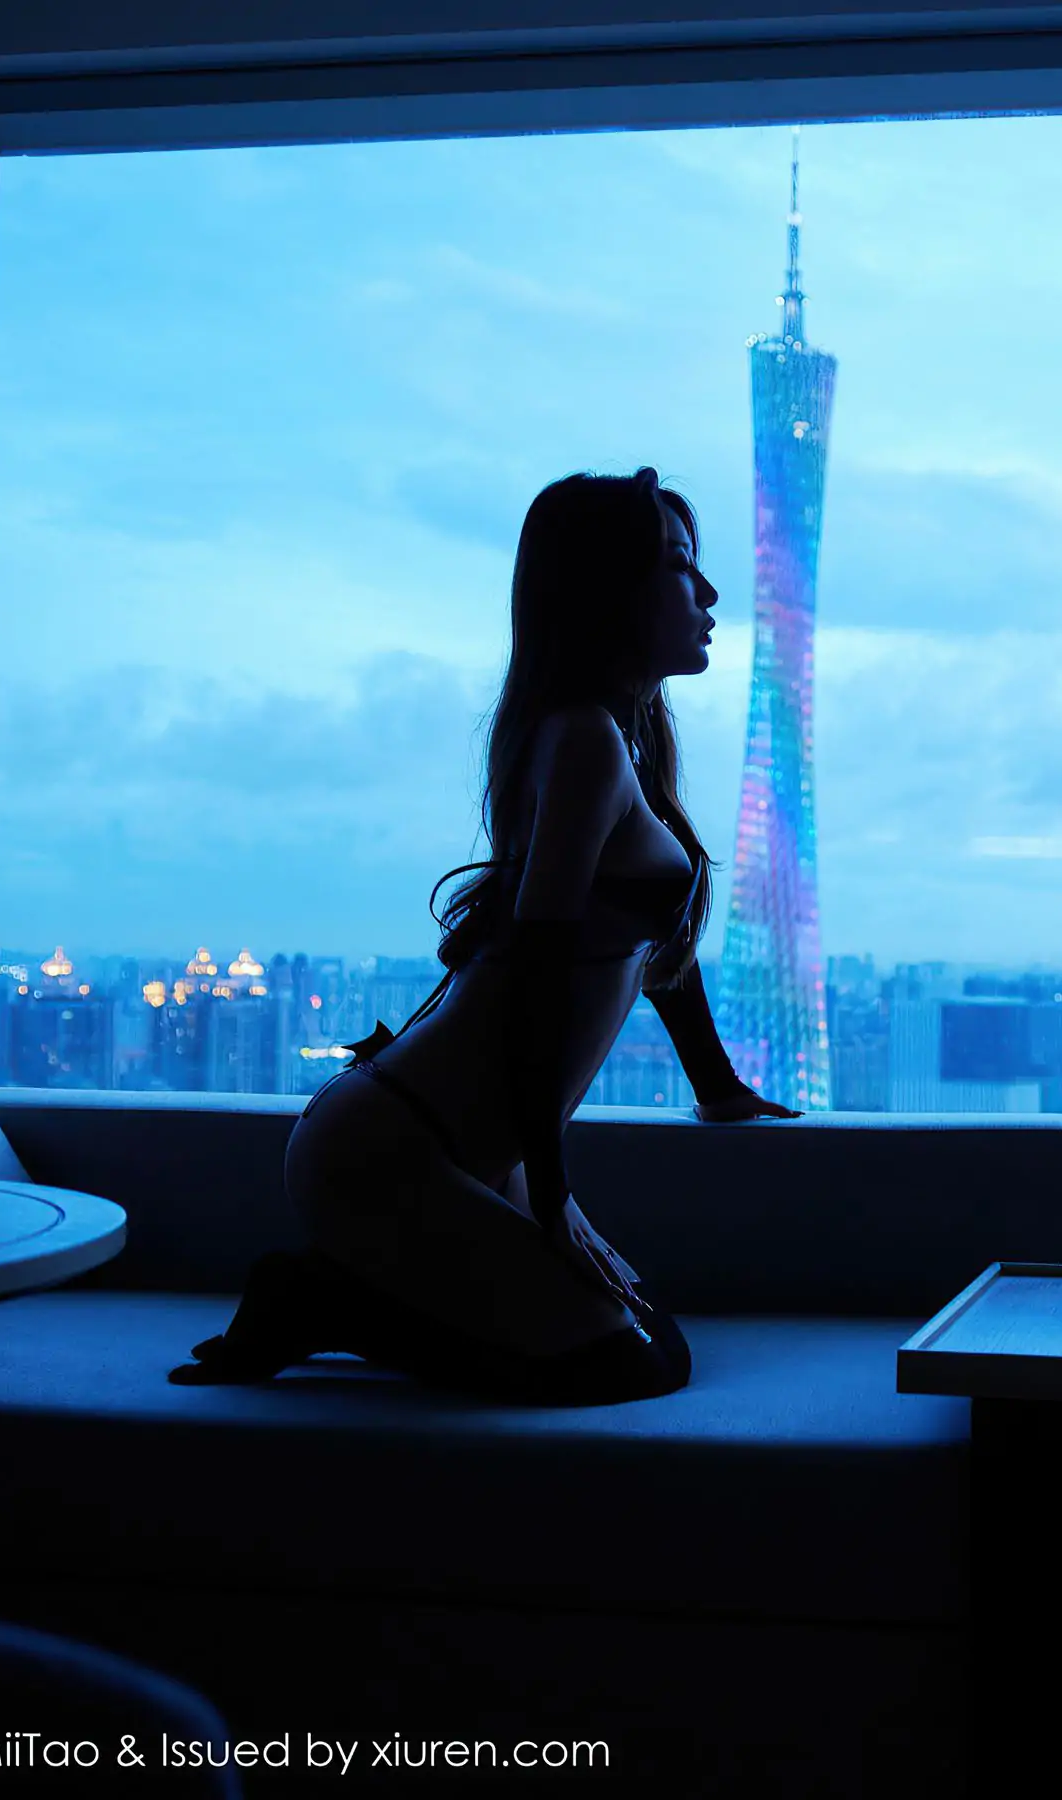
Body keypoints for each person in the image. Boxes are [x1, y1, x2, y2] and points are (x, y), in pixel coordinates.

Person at [171, 468, 798, 1401]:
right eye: (678, 566)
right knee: (635, 1363)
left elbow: (656, 952)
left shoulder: (614, 744)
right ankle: (318, 1304)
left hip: (462, 1145)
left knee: (651, 1339)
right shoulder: (583, 741)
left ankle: (341, 1301)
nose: (707, 594)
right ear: (608, 592)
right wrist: (551, 1191)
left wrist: (717, 1089)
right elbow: (537, 981)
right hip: (389, 1149)